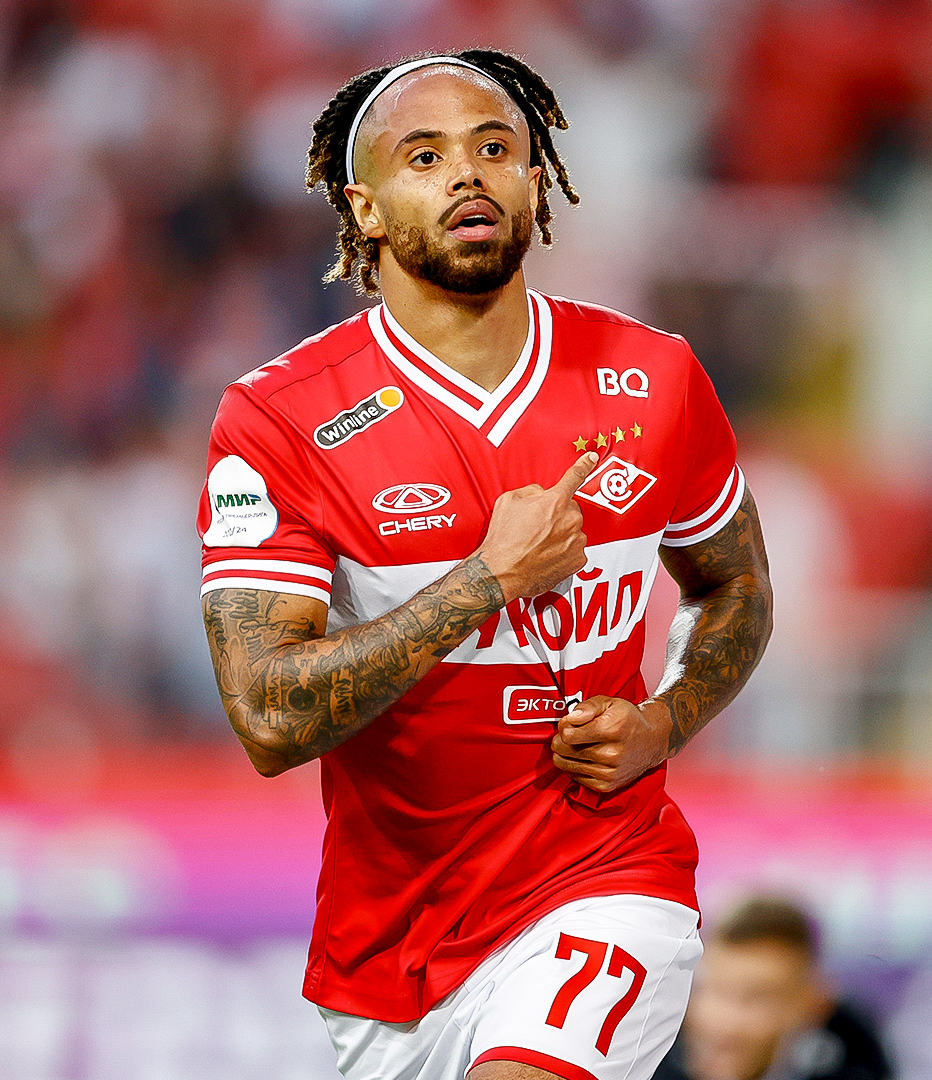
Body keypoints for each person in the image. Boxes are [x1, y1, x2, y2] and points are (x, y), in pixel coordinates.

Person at [196, 49, 772, 1080]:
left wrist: (664, 722)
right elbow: (268, 718)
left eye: (495, 148)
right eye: (424, 157)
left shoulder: (655, 377)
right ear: (366, 209)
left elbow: (736, 586)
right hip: (391, 945)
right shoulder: (278, 420)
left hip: (607, 878)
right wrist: (484, 583)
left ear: (535, 182)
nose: (468, 172)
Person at [652, 895, 892, 1080]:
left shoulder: (856, 1059)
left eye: (758, 999)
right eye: (715, 989)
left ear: (813, 1004)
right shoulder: (645, 1048)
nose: (726, 1024)